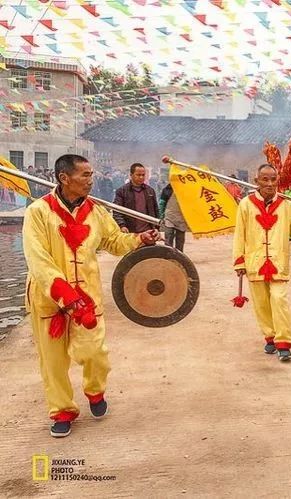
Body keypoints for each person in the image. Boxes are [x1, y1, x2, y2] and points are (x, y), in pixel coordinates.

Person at [22, 154, 159, 438]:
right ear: (64, 178)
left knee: (95, 353)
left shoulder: (95, 211)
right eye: (84, 175)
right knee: (53, 360)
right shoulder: (37, 212)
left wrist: (137, 239)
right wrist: (65, 295)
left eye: (91, 174)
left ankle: (95, 391)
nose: (90, 180)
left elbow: (113, 240)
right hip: (50, 299)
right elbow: (38, 260)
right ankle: (61, 410)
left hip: (88, 297)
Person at [232, 164, 291, 362]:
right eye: (265, 179)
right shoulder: (245, 205)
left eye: (273, 179)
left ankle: (283, 342)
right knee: (261, 304)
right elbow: (239, 235)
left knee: (279, 299)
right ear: (257, 181)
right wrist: (239, 262)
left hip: (278, 262)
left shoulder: (286, 205)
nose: (270, 183)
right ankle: (270, 336)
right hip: (254, 262)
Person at [113, 163, 159, 233]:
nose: (141, 177)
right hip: (130, 232)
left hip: (148, 231)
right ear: (131, 175)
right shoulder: (122, 191)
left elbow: (155, 210)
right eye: (138, 175)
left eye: (143, 175)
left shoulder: (150, 191)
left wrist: (156, 227)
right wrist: (122, 225)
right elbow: (117, 211)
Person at [159, 183, 188, 252]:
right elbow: (162, 203)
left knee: (180, 241)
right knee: (168, 240)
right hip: (169, 218)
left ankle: (179, 258)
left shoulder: (187, 190)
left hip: (182, 219)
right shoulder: (167, 190)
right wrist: (161, 216)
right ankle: (168, 257)